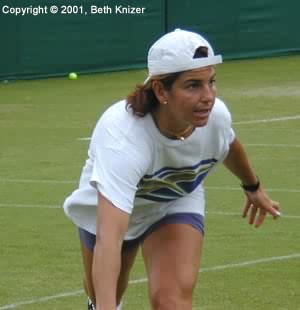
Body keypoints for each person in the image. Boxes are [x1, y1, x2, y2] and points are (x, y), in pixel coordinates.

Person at [63, 28, 281, 310]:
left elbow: (227, 145)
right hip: (110, 212)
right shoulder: (123, 138)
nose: (208, 96)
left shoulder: (215, 117)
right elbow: (109, 239)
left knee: (171, 301)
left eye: (211, 82)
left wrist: (253, 187)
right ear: (160, 90)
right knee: (107, 298)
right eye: (193, 85)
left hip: (175, 201)